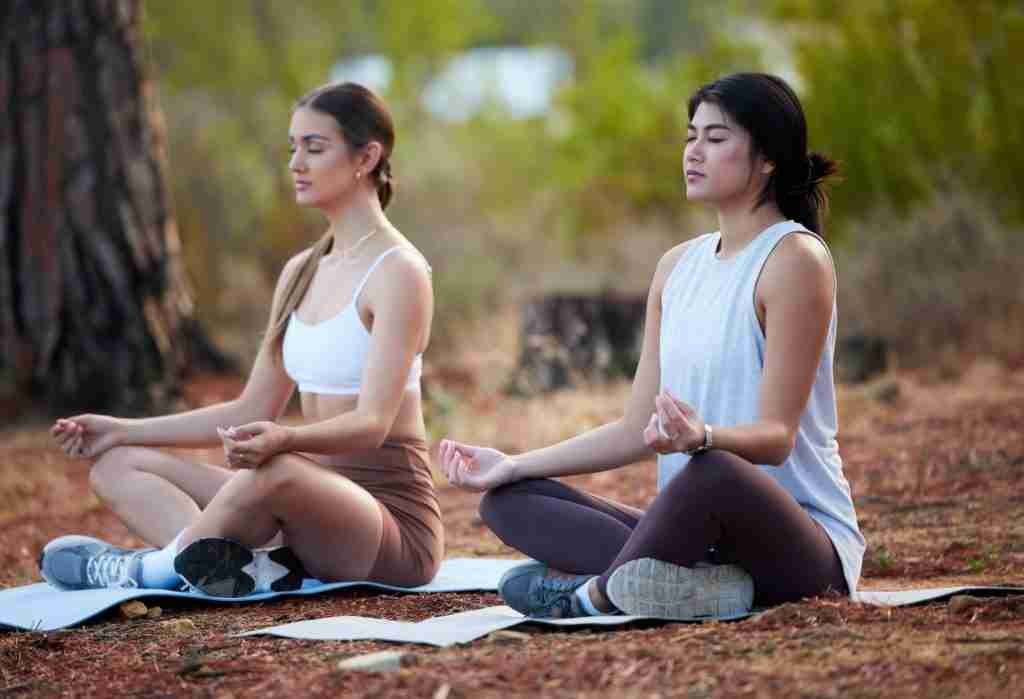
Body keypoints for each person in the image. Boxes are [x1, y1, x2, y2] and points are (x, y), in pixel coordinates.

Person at [440, 73, 864, 620]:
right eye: (691, 136)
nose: (694, 152)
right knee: (510, 501)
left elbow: (777, 439)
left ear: (768, 159)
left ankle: (591, 596)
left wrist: (701, 437)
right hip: (702, 546)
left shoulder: (794, 260)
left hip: (802, 553)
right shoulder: (676, 268)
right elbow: (631, 429)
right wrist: (514, 464)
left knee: (713, 470)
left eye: (716, 138)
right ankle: (695, 586)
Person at [40, 82, 443, 597]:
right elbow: (252, 405)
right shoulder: (302, 270)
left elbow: (372, 423)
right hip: (299, 514)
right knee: (121, 464)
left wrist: (286, 441)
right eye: (292, 148)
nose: (296, 163)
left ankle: (145, 573)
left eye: (314, 148)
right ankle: (251, 567)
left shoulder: (399, 271)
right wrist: (123, 429)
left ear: (367, 156)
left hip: (386, 528)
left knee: (274, 473)